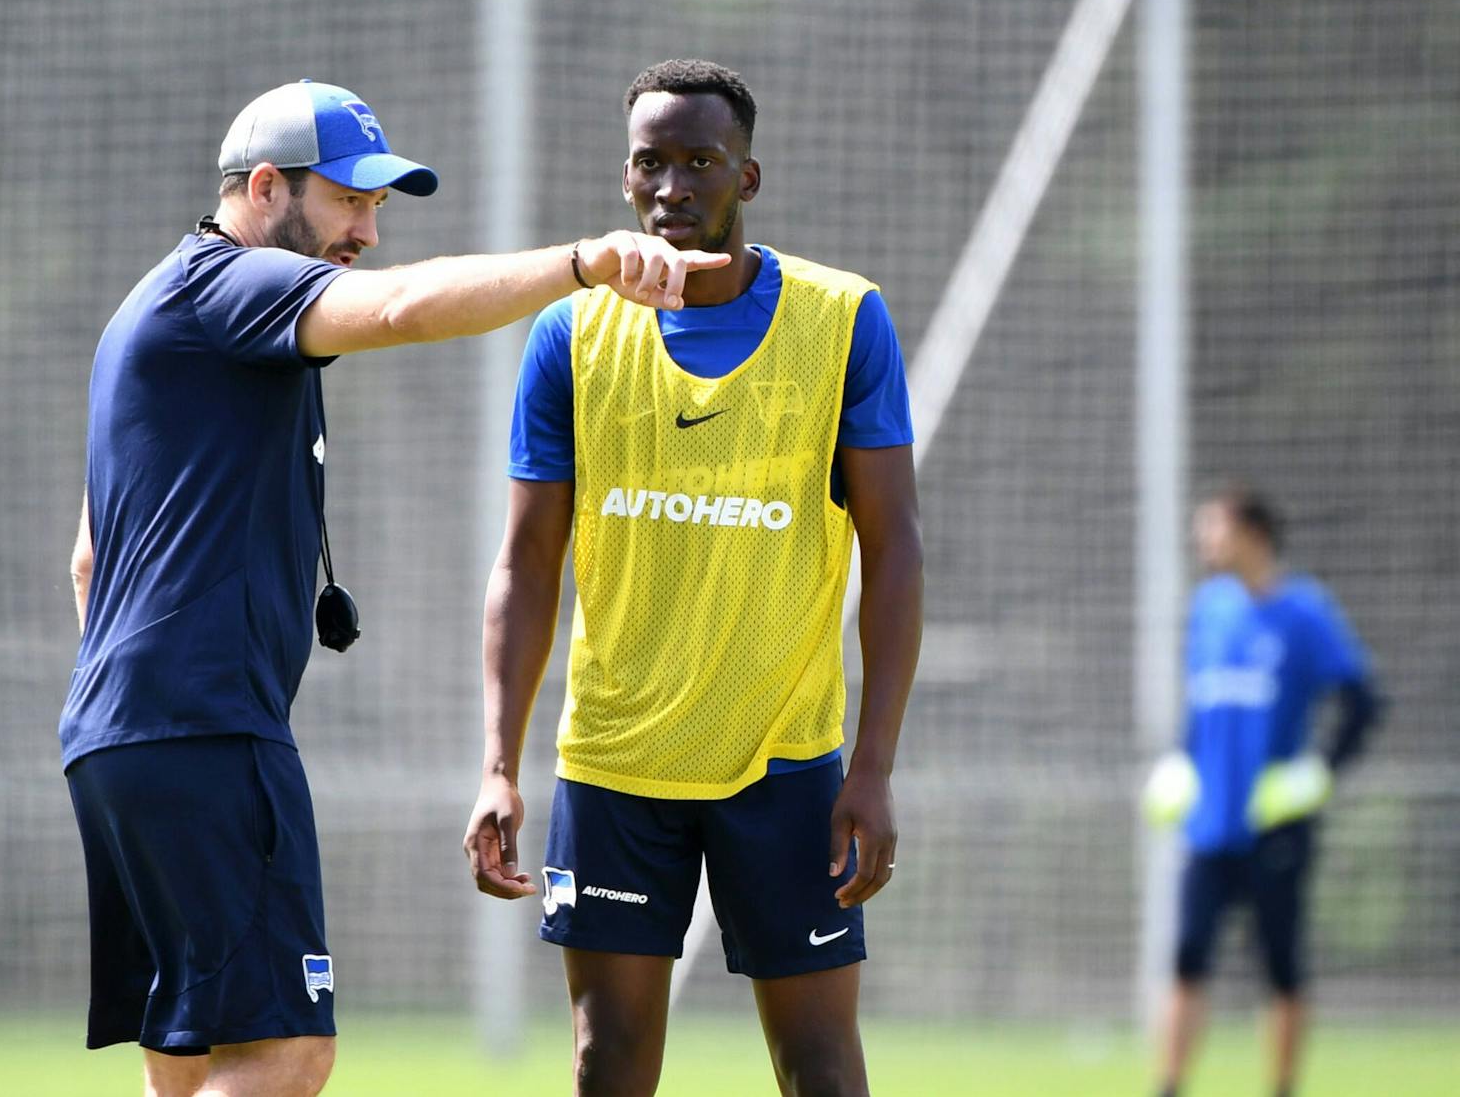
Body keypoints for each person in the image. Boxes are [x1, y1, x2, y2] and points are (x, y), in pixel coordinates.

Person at [62, 78, 728, 1097]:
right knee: (287, 1052)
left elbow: (87, 560)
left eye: (377, 208)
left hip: (121, 736)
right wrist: (580, 265)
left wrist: (137, 708)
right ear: (267, 187)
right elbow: (405, 308)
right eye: (348, 202)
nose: (366, 233)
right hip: (200, 727)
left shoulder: (151, 312)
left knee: (190, 1061)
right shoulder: (226, 288)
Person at [463, 59, 924, 1097]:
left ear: (746, 178)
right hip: (617, 764)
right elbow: (525, 564)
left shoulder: (844, 320)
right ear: (625, 177)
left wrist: (874, 767)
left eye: (697, 162)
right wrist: (497, 761)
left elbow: (893, 549)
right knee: (607, 1062)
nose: (671, 186)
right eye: (649, 163)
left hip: (788, 766)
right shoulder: (569, 333)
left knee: (817, 1066)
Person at [1149, 487, 1382, 1097]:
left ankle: (1281, 1087)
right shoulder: (1208, 609)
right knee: (1187, 958)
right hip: (1209, 826)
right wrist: (1180, 760)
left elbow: (1363, 702)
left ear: (1251, 534)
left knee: (1279, 967)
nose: (1204, 543)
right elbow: (1199, 710)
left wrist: (1321, 772)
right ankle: (1168, 1085)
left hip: (1275, 829)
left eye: (1215, 530)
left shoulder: (1305, 613)